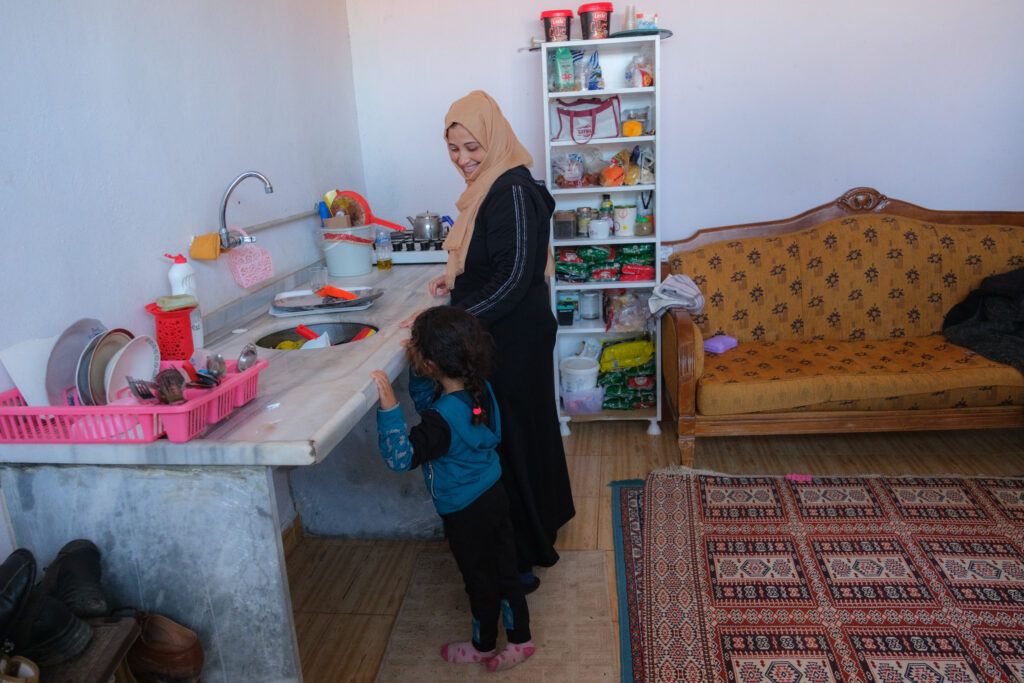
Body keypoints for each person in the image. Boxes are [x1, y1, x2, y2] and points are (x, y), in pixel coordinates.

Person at [424, 90, 575, 591]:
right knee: (520, 437)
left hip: (514, 339)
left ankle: (522, 556)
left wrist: (447, 319)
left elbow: (513, 280)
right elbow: (497, 262)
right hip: (507, 334)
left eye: (473, 147)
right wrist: (457, 283)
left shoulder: (509, 191)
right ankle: (531, 536)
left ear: (495, 139)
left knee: (512, 443)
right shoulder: (494, 189)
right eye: (453, 149)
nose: (463, 160)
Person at [371, 305, 535, 672]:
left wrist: (389, 409)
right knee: (505, 570)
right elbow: (433, 403)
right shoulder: (480, 391)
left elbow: (401, 457)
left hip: (464, 510)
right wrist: (420, 368)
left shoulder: (439, 422)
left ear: (430, 365)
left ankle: (483, 645)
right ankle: (521, 640)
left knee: (479, 579)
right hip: (493, 493)